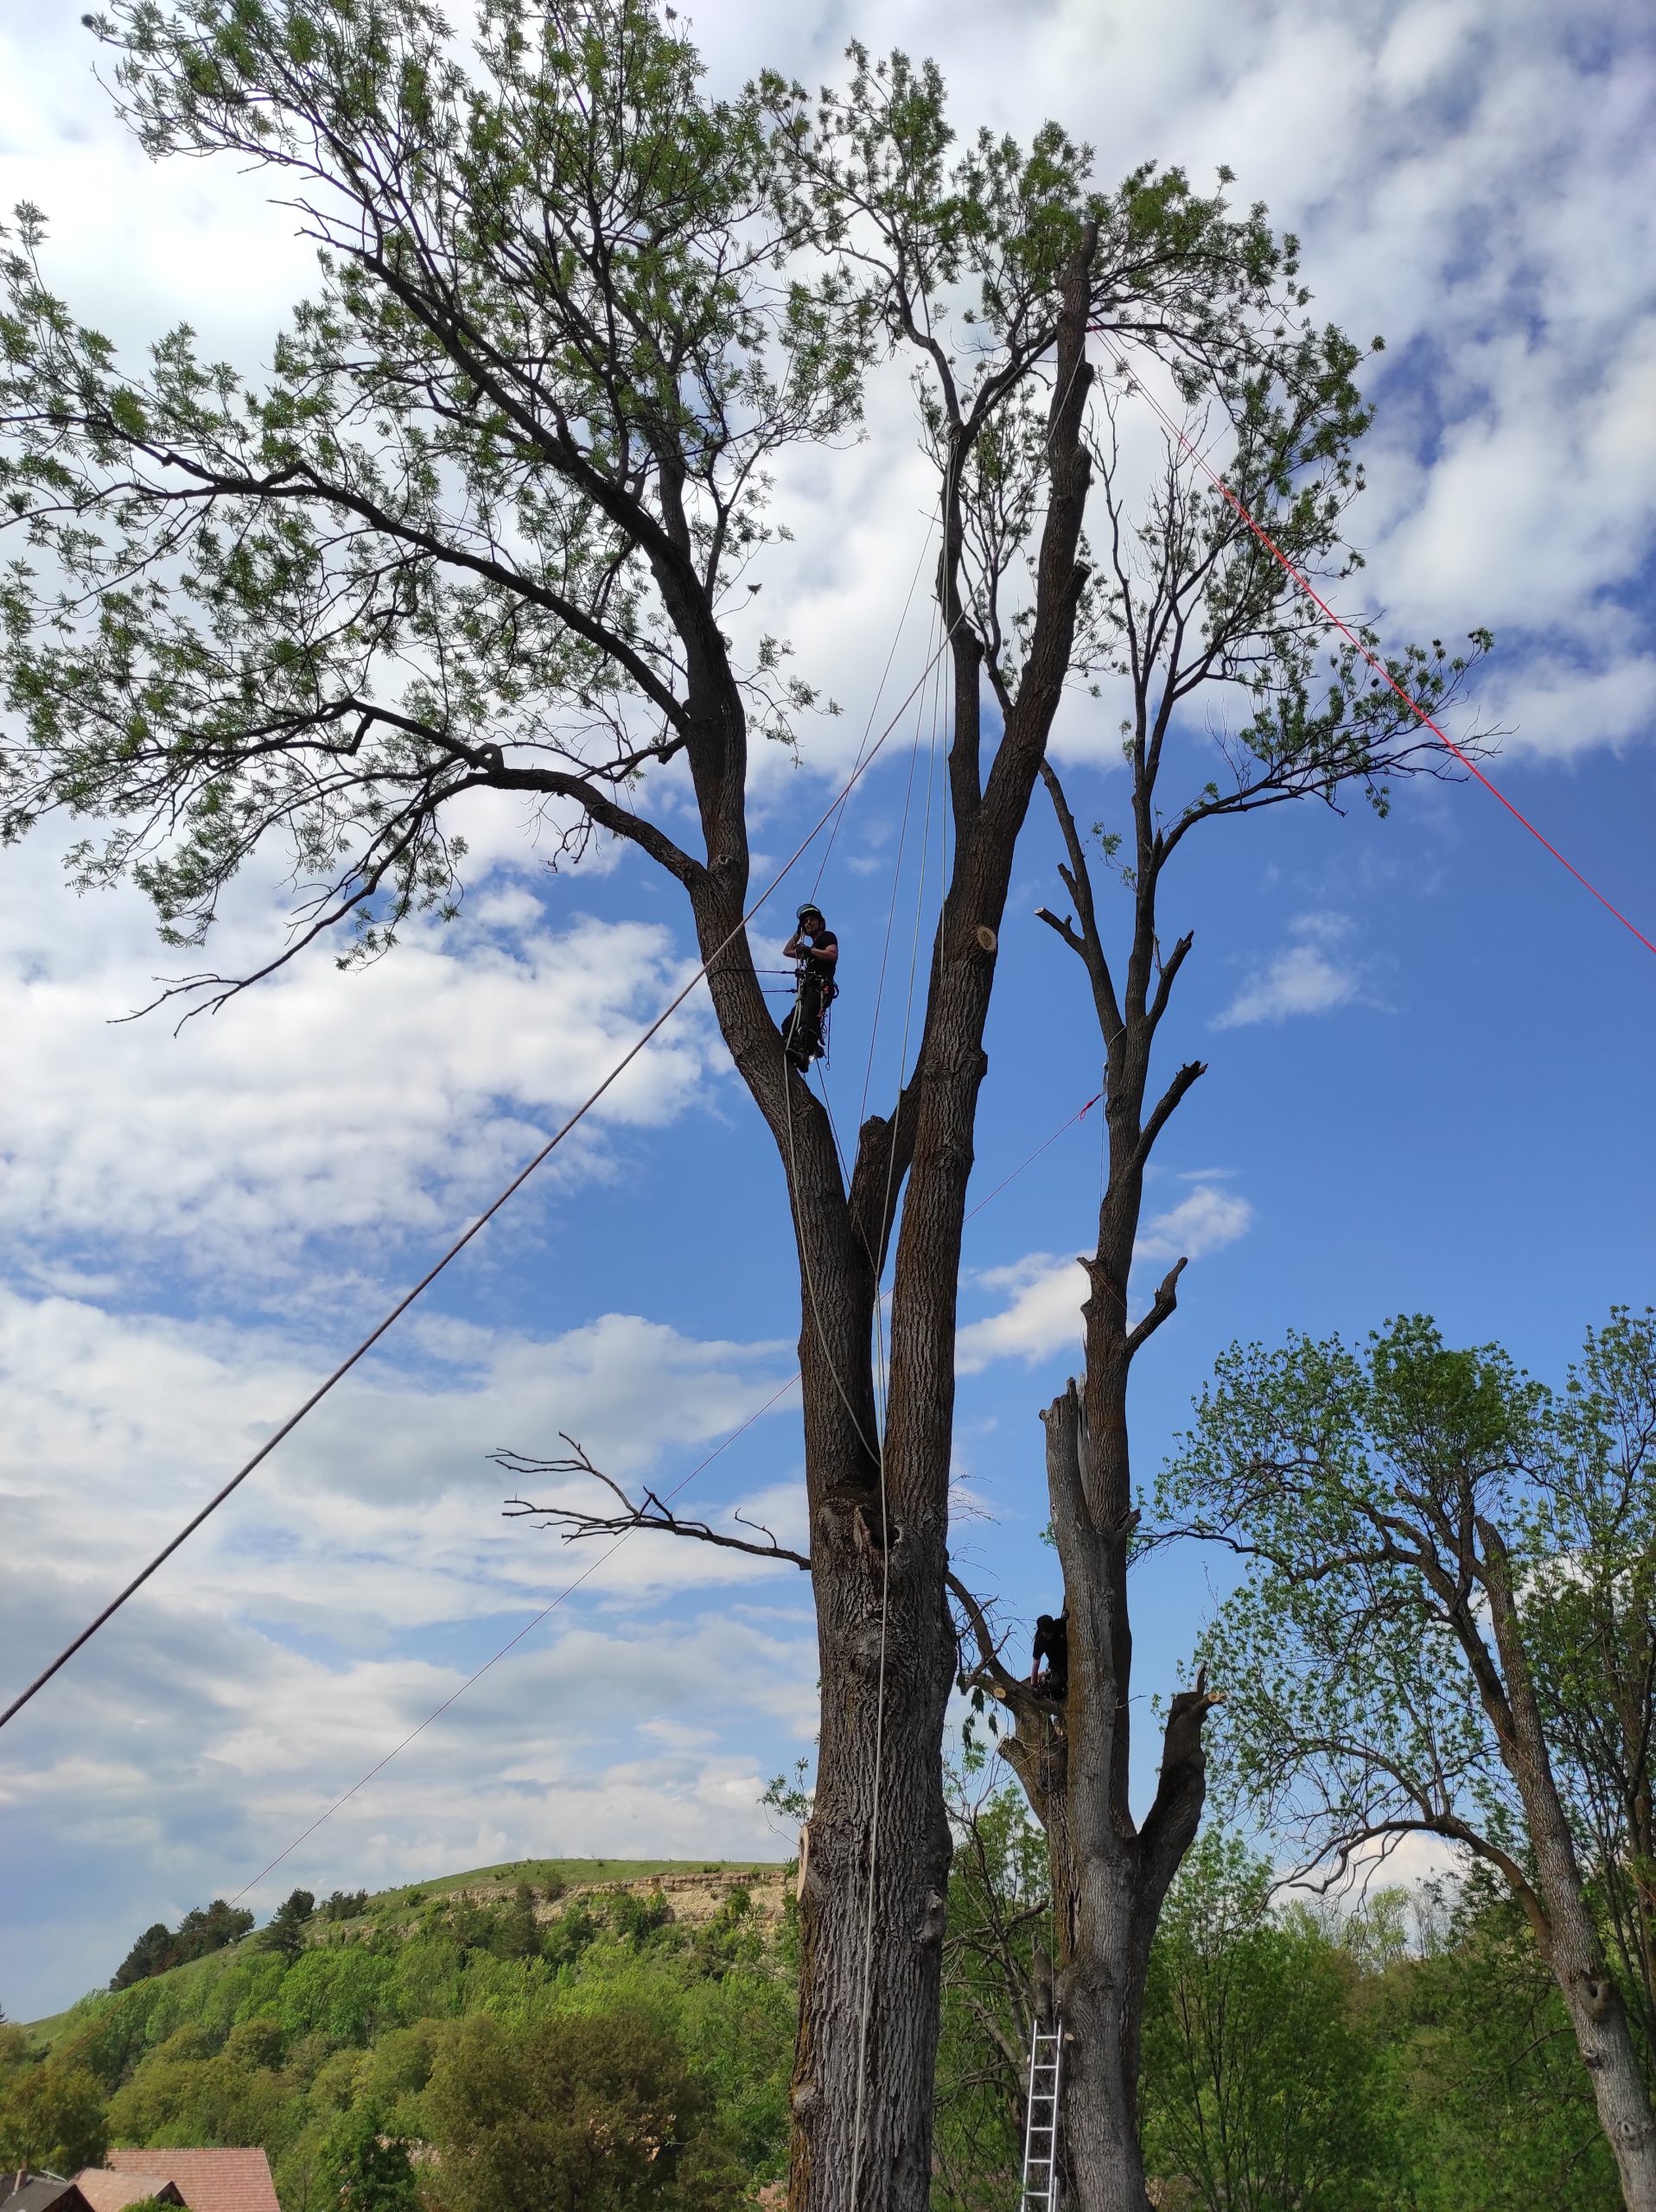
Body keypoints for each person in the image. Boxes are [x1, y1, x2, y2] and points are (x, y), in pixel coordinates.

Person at [780, 901, 838, 1071]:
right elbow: (787, 951)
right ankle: (791, 1047)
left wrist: (809, 951)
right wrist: (798, 934)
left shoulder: (827, 936)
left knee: (808, 1019)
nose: (808, 923)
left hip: (821, 987)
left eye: (812, 920)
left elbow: (832, 955)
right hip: (808, 989)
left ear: (820, 923)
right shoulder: (810, 946)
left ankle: (805, 1054)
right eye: (805, 922)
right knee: (789, 1023)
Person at [1030, 1610, 1068, 1700]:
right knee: (1054, 1686)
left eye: (1051, 1634)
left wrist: (1064, 1618)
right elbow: (1035, 1665)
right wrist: (1033, 1686)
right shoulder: (1039, 1642)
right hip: (1057, 1666)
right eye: (1047, 1635)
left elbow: (1062, 1621)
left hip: (1068, 1657)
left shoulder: (1058, 1625)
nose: (1049, 1637)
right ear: (1042, 1631)